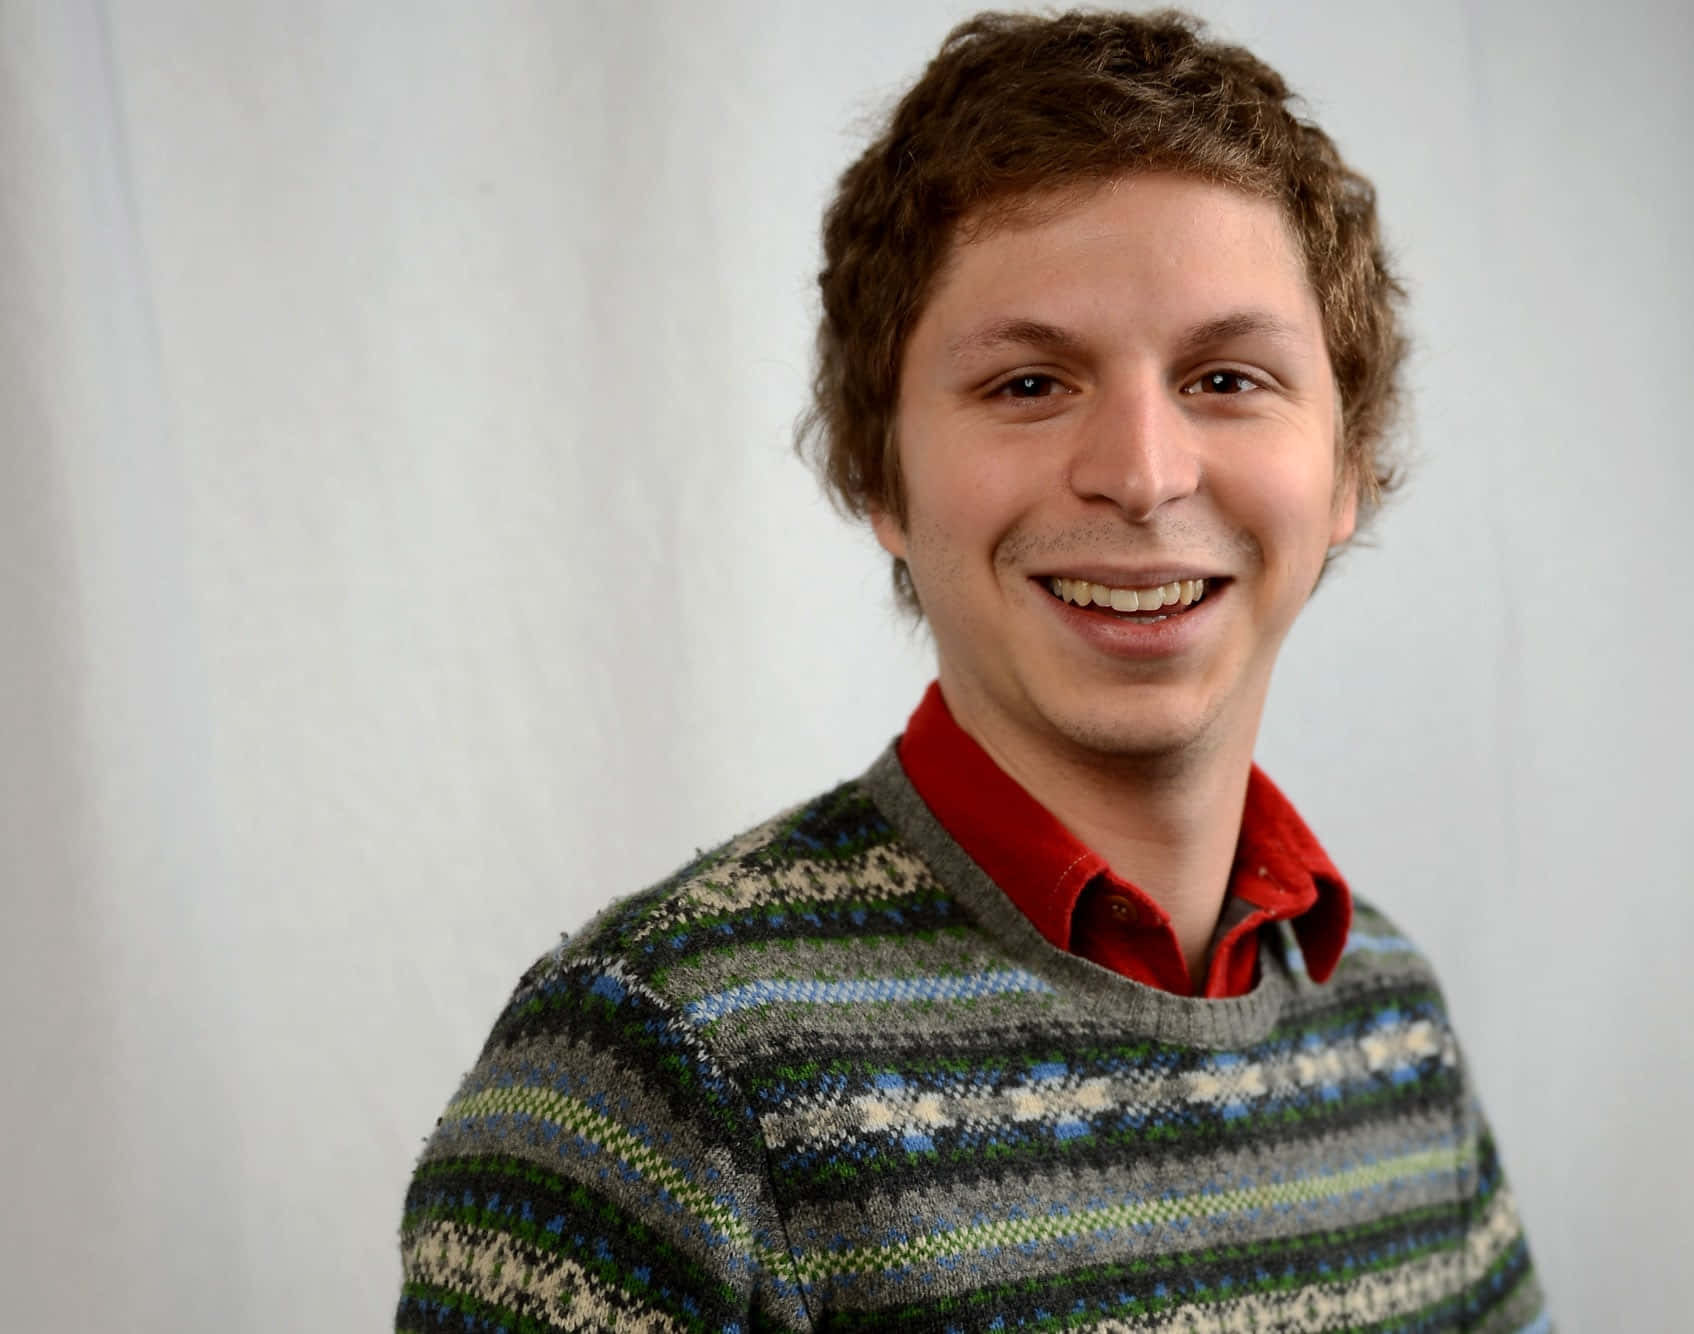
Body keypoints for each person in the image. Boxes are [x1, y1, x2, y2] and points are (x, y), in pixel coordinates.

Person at [397, 10, 1549, 1332]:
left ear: (1346, 469)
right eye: (1028, 383)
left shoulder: (1391, 1022)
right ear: (883, 473)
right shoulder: (654, 1064)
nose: (1141, 472)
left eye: (1228, 377)